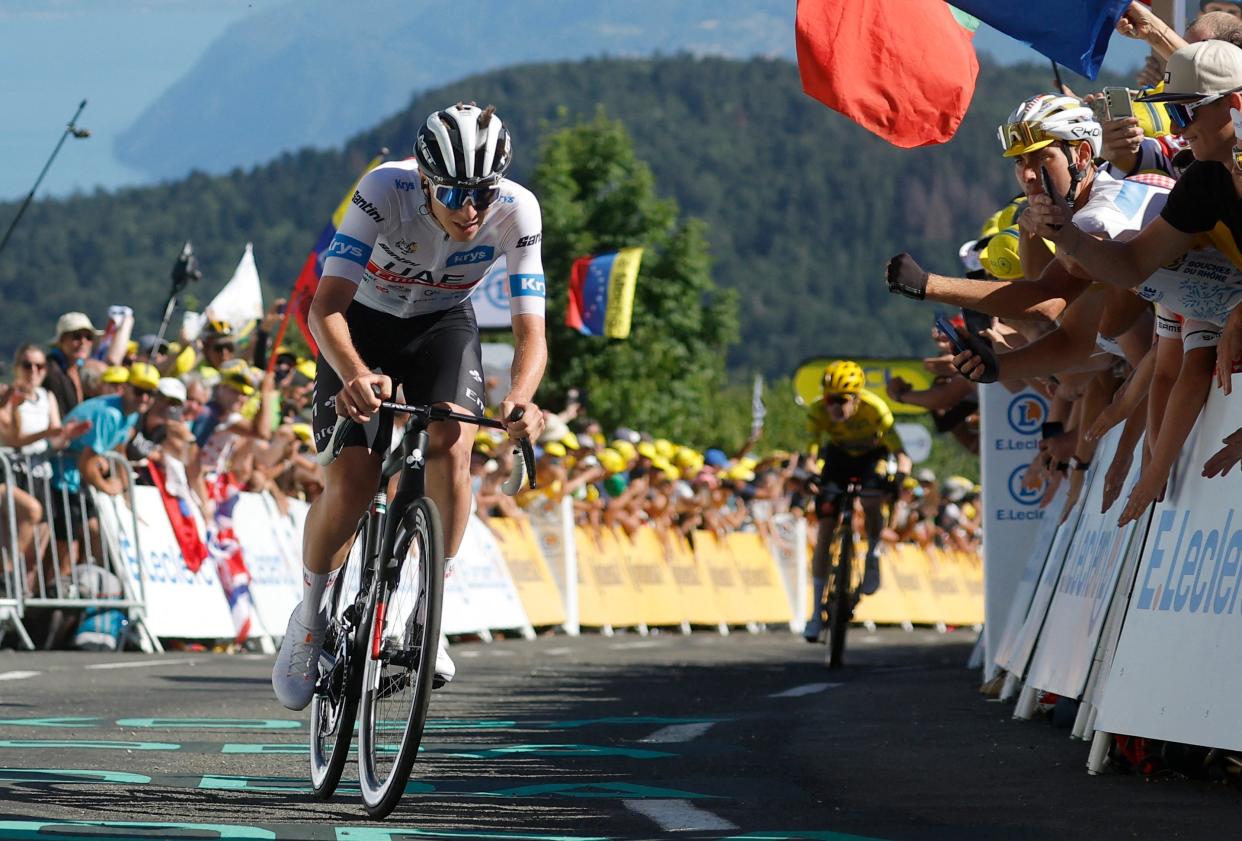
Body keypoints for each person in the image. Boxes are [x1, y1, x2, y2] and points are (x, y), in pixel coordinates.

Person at [273, 102, 547, 710]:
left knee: (454, 443)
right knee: (351, 482)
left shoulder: (517, 209)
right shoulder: (384, 188)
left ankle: (428, 609)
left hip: (442, 324)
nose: (470, 209)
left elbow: (533, 334)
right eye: (453, 192)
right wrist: (352, 374)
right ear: (425, 178)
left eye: (482, 191)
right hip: (359, 324)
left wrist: (523, 399)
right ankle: (310, 618)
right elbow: (324, 307)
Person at [803, 360, 912, 641]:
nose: (833, 407)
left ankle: (873, 551)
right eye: (829, 400)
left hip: (870, 457)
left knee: (872, 499)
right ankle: (815, 613)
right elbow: (812, 456)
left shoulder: (876, 411)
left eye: (841, 401)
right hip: (838, 459)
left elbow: (902, 455)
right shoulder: (817, 412)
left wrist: (899, 477)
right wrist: (811, 475)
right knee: (826, 528)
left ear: (857, 398)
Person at [43, 312, 101, 416]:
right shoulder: (49, 371)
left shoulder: (80, 370)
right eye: (76, 336)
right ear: (61, 341)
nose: (83, 342)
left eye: (88, 337)